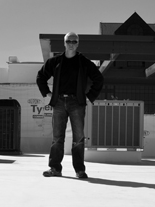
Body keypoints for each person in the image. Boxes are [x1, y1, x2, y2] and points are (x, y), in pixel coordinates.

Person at [36, 32, 104, 179]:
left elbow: (98, 79)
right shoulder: (55, 61)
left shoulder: (83, 62)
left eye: (74, 41)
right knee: (57, 137)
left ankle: (79, 170)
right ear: (64, 43)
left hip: (77, 103)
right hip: (59, 102)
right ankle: (55, 168)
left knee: (78, 138)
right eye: (68, 41)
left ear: (78, 43)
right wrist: (47, 93)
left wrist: (88, 96)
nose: (71, 44)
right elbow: (41, 76)